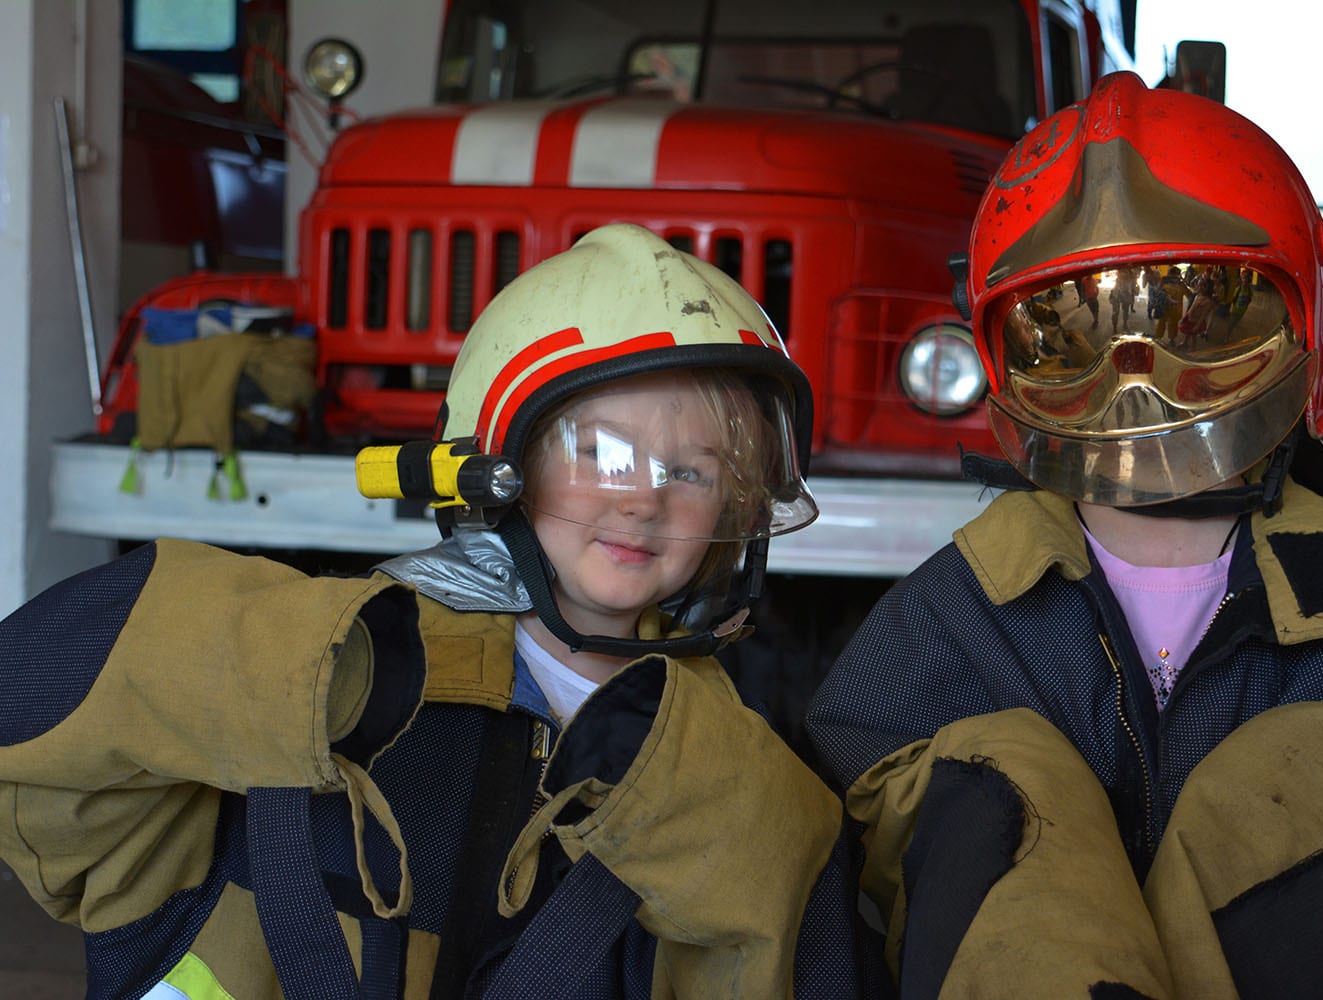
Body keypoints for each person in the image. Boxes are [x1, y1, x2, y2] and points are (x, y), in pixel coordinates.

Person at [0, 224, 875, 998]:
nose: (644, 499)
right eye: (600, 451)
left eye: (692, 471)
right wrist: (313, 669)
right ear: (487, 468)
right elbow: (33, 717)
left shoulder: (744, 783)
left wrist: (699, 796)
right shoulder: (327, 684)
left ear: (735, 510)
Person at [806, 72, 1323, 1000]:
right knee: (1003, 784)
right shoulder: (942, 626)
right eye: (1068, 335)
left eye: (1199, 318)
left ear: (1308, 312)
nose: (1140, 389)